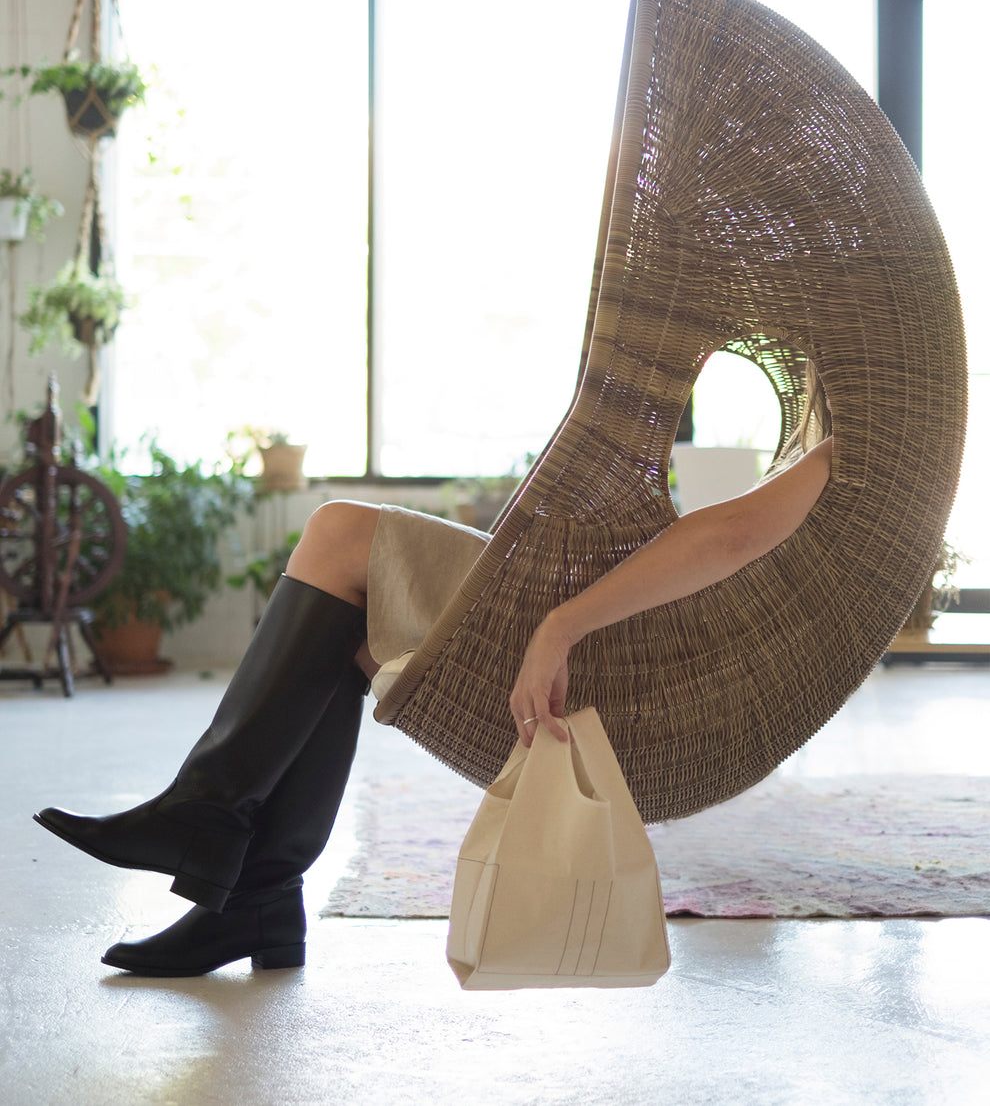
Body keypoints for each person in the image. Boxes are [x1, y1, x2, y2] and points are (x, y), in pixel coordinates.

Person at [34, 403, 832, 977]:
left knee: (341, 533)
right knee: (344, 617)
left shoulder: (858, 434)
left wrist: (561, 623)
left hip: (633, 654)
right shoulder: (851, 430)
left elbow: (729, 534)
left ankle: (212, 821)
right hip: (630, 629)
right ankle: (256, 892)